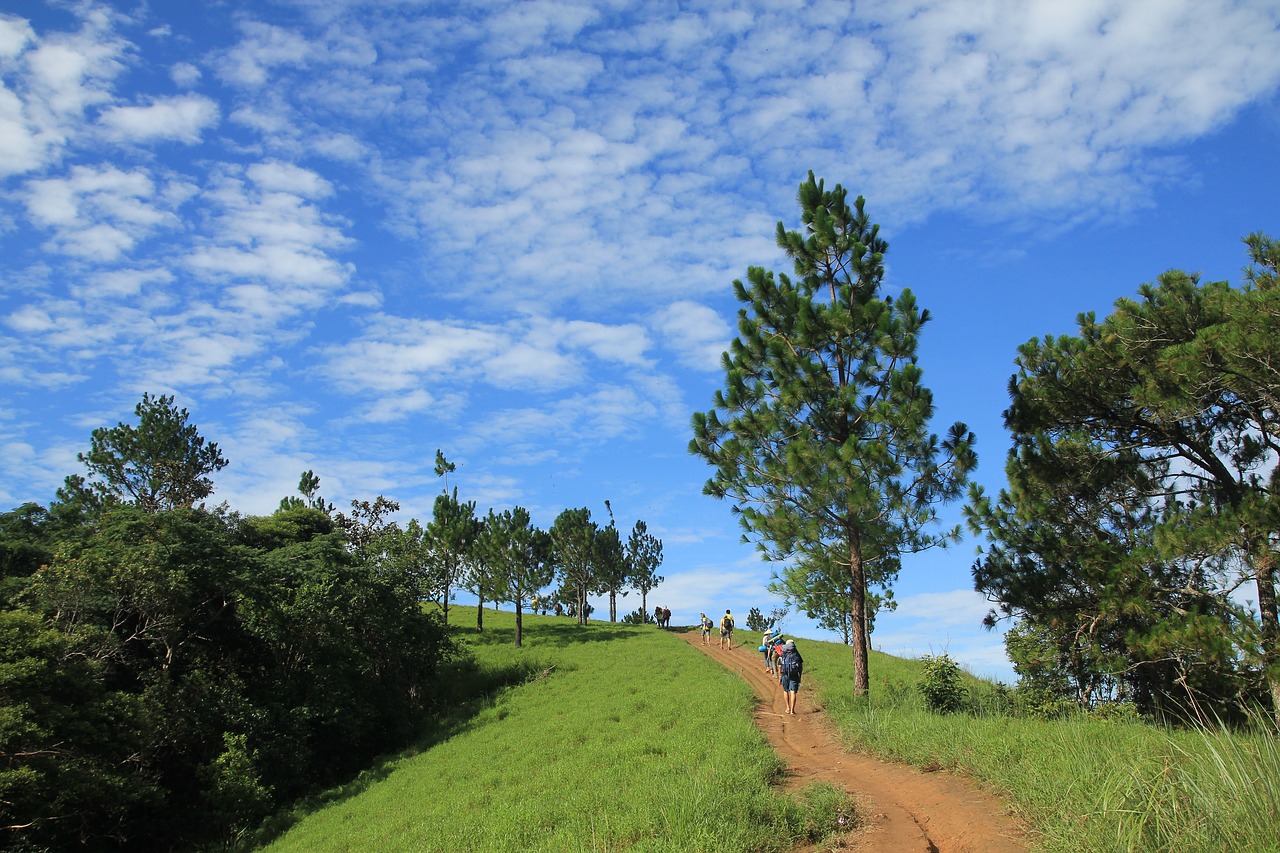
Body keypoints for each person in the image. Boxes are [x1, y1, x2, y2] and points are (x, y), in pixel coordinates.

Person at [778, 639, 803, 715]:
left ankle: (787, 708)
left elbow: (779, 666)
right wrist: (800, 676)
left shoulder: (783, 653)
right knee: (793, 692)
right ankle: (792, 710)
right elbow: (800, 667)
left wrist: (780, 676)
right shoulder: (796, 654)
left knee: (786, 691)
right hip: (794, 675)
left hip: (784, 674)